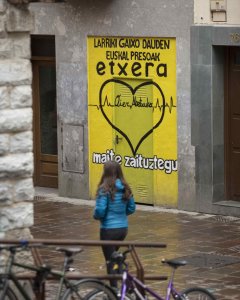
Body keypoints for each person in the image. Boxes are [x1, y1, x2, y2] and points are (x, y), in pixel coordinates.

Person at [93, 160, 136, 288]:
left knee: (110, 261)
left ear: (105, 172)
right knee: (115, 257)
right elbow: (132, 208)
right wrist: (121, 215)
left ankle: (114, 290)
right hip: (122, 229)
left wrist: (96, 216)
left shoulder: (104, 189)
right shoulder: (126, 188)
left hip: (108, 230)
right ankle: (124, 282)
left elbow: (100, 211)